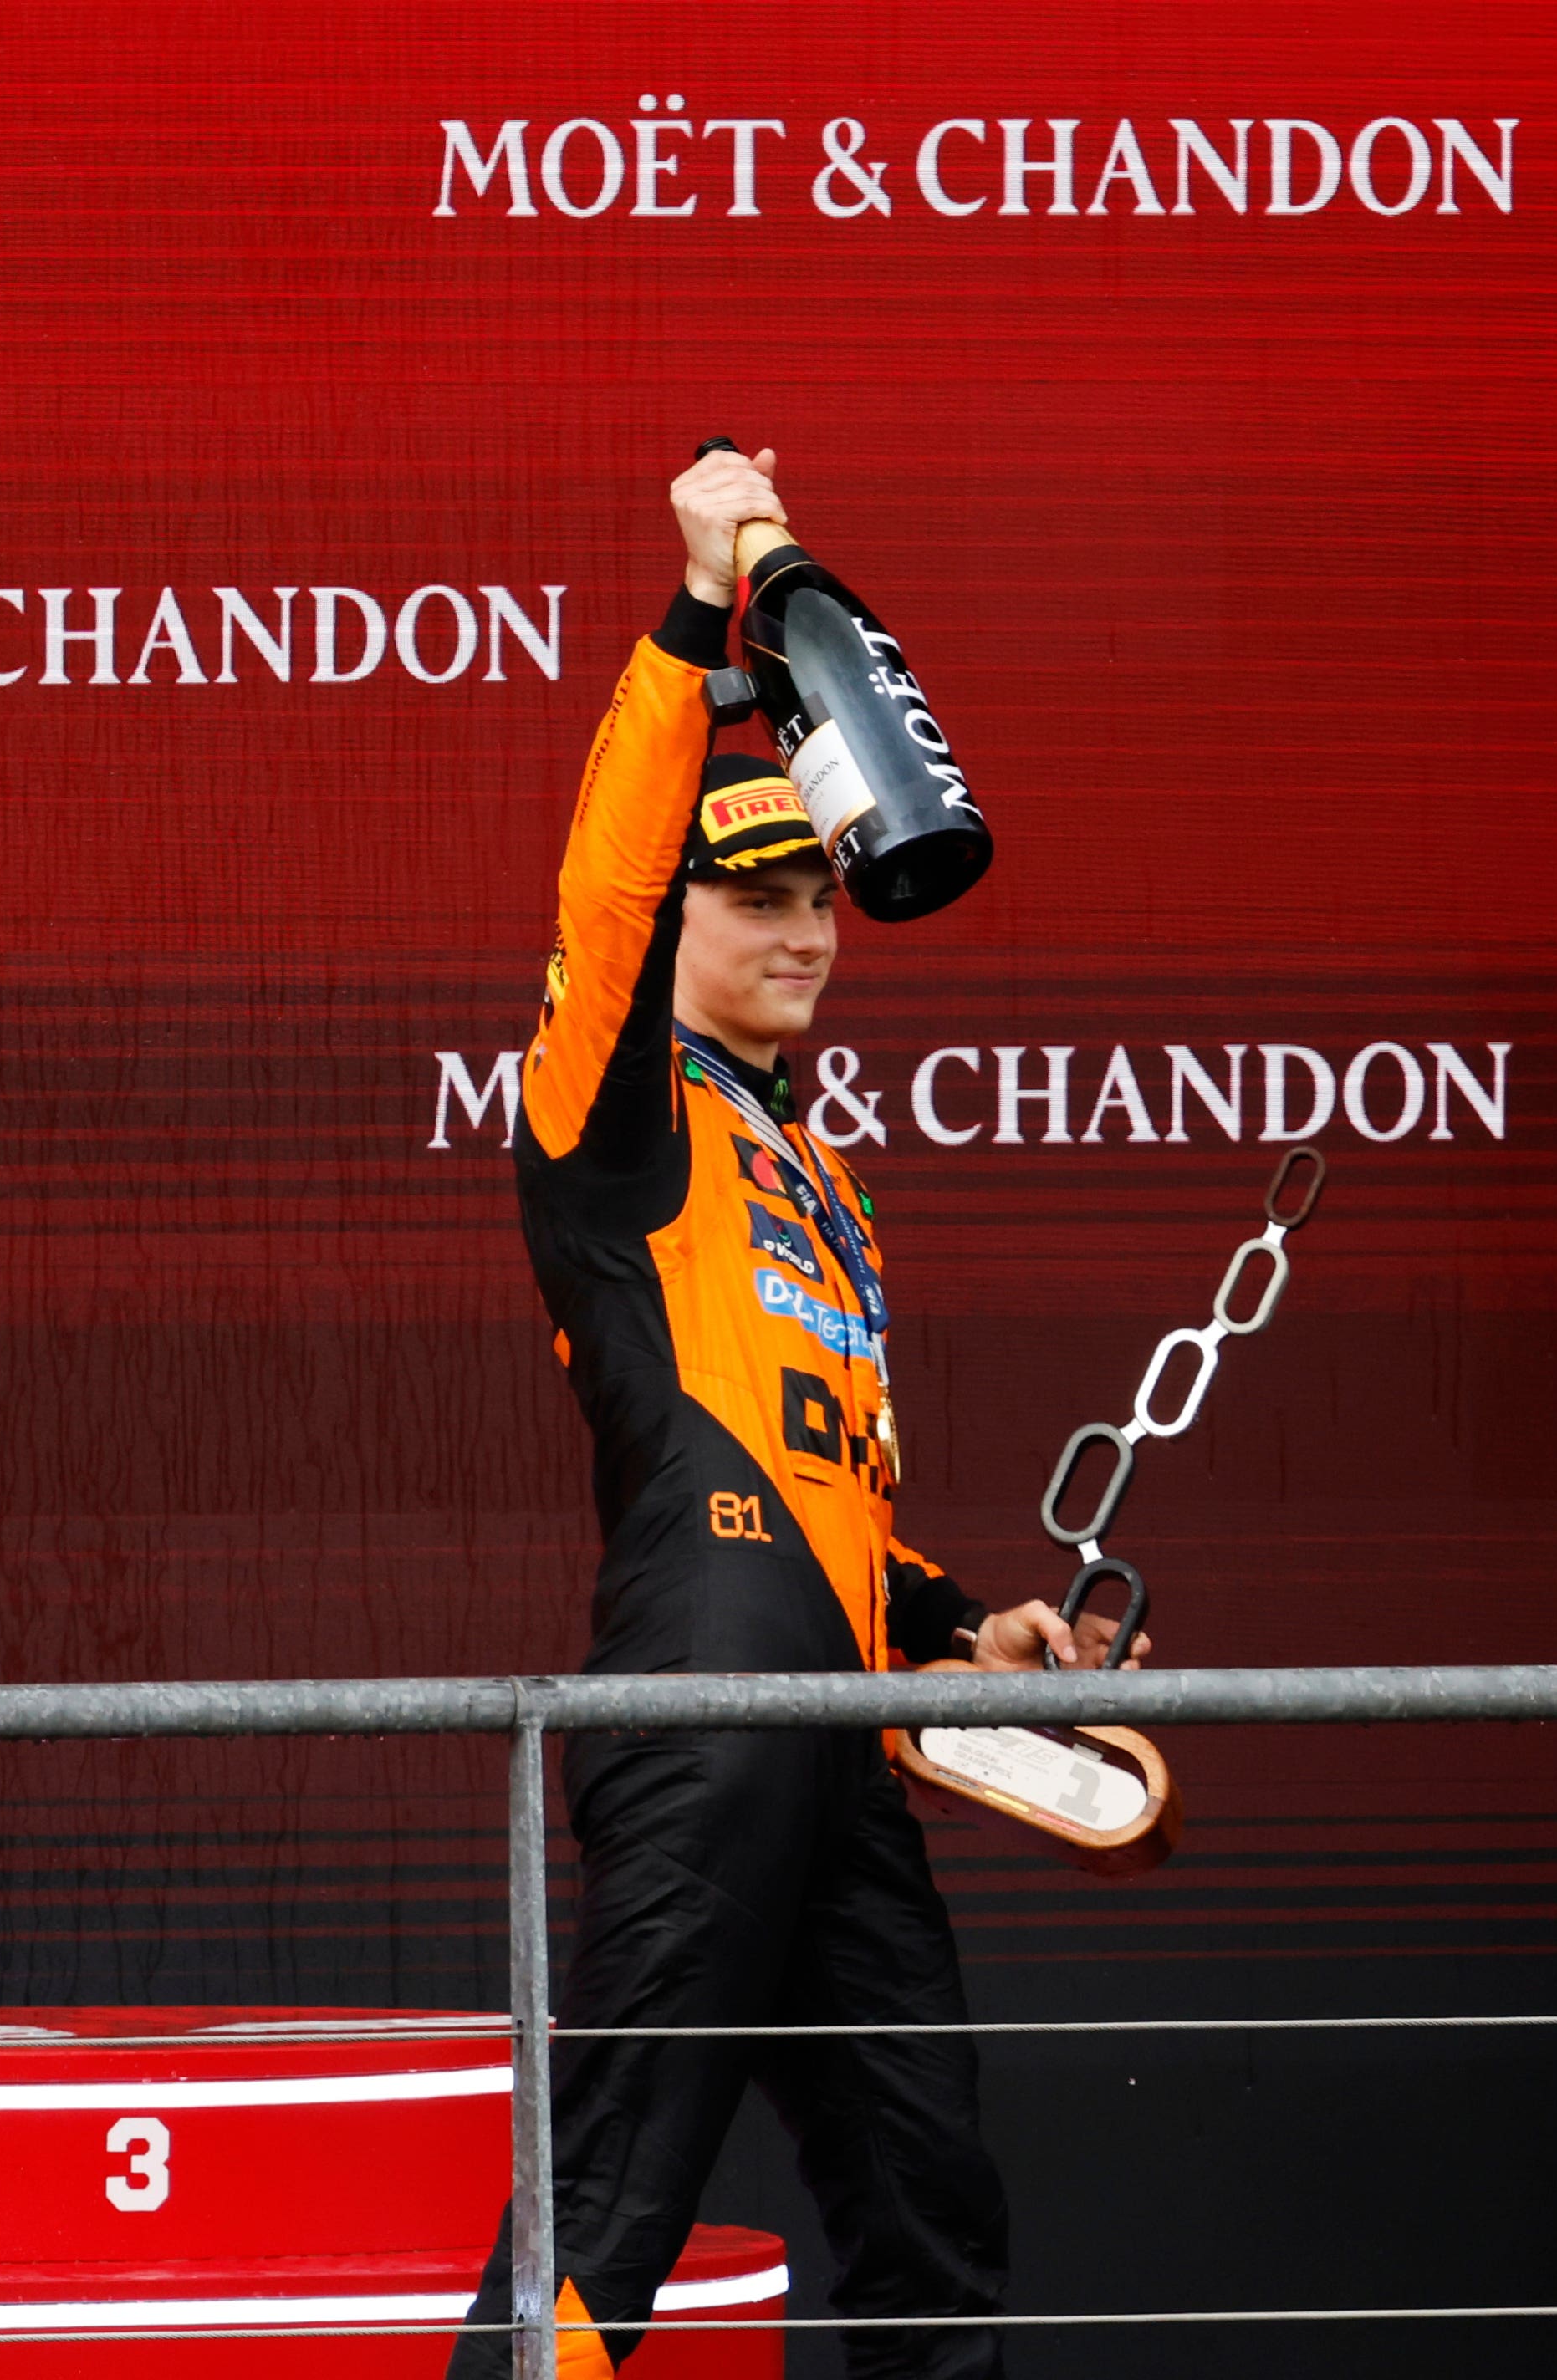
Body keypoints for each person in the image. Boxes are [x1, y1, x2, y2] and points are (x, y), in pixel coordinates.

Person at [449, 450, 1136, 2379]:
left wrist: (963, 1631)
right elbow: (602, 876)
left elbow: (830, 1485)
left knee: (932, 2209)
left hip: (843, 1738)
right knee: (607, 2218)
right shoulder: (611, 1119)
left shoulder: (824, 1174)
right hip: (695, 1716)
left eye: (816, 886)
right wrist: (698, 618)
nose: (802, 928)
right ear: (675, 926)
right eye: (749, 895)